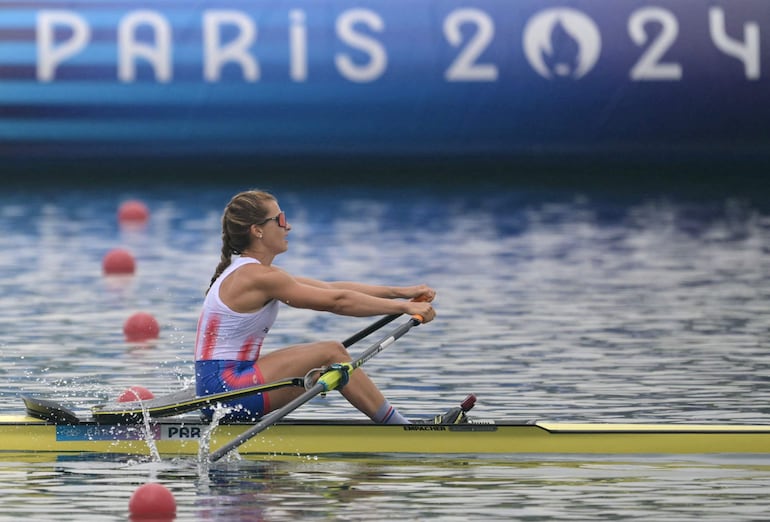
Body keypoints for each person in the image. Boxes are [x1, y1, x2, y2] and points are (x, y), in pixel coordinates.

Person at [194, 189, 436, 424]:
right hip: (226, 393)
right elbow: (337, 302)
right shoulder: (258, 277)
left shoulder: (255, 273)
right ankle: (402, 428)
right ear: (257, 230)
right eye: (280, 219)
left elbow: (329, 289)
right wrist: (402, 308)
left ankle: (399, 424)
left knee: (329, 356)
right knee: (331, 353)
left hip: (222, 387)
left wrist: (401, 293)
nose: (287, 227)